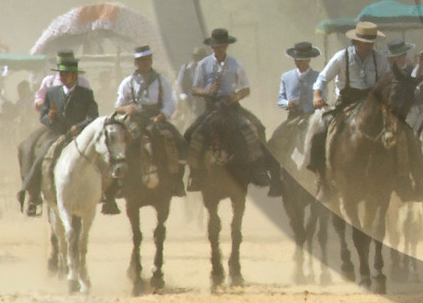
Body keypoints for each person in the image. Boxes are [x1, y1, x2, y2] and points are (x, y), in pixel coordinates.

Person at [184, 29, 281, 195]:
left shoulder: (236, 64)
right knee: (190, 133)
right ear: (212, 47)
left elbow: (246, 89)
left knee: (257, 127)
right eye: (216, 46)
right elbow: (194, 89)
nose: (219, 49)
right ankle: (195, 173)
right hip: (212, 108)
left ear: (226, 46)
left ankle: (259, 169)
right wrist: (206, 91)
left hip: (232, 107)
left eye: (221, 46)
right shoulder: (203, 64)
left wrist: (235, 96)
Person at [18, 51, 100, 216]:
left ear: (74, 75)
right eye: (61, 73)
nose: (62, 76)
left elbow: (92, 116)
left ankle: (108, 191)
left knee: (103, 151)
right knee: (41, 153)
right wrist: (49, 117)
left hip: (79, 132)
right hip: (56, 131)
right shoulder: (51, 88)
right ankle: (32, 192)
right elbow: (43, 114)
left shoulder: (85, 90)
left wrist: (79, 126)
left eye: (66, 74)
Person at [309, 21, 393, 173]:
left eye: (371, 43)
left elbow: (387, 81)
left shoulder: (380, 59)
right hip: (346, 102)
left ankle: (401, 176)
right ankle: (321, 173)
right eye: (365, 43)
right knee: (321, 128)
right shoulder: (342, 57)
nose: (369, 47)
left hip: (372, 105)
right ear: (355, 41)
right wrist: (317, 95)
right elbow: (322, 78)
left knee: (396, 132)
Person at [114, 45, 187, 200]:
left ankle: (177, 181)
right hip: (135, 119)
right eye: (141, 60)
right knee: (120, 143)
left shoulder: (162, 81)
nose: (145, 63)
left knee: (179, 141)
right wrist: (127, 108)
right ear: (136, 62)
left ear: (151, 61)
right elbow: (118, 106)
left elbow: (169, 102)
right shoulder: (128, 82)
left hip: (156, 117)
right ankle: (120, 184)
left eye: (147, 60)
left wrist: (162, 115)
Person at [276, 42, 322, 118]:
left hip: (313, 117)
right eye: (296, 60)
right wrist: (288, 104)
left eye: (301, 61)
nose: (298, 63)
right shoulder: (286, 77)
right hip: (293, 117)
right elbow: (280, 100)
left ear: (308, 60)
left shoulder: (318, 77)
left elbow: (322, 98)